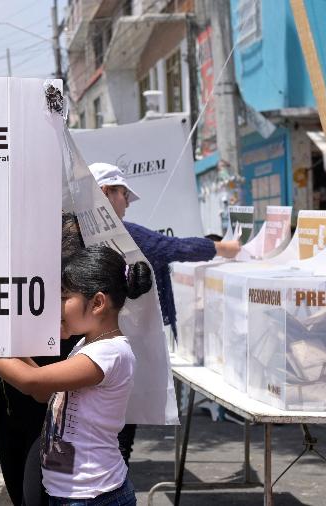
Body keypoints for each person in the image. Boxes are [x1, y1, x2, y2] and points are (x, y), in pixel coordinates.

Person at [89, 162, 241, 466]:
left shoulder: (74, 231)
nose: (127, 203)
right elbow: (171, 247)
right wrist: (225, 247)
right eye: (123, 194)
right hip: (111, 348)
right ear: (105, 192)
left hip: (80, 348)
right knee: (117, 438)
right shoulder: (122, 234)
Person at [0, 245, 152, 506]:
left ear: (97, 302)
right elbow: (43, 390)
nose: (57, 306)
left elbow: (31, 382)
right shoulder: (86, 346)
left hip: (93, 496)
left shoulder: (109, 354)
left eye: (64, 298)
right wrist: (10, 347)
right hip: (72, 492)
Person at [0, 214, 82, 505]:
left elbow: (40, 388)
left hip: (52, 425)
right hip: (11, 412)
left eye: (64, 294)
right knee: (22, 493)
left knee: (41, 498)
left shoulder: (94, 346)